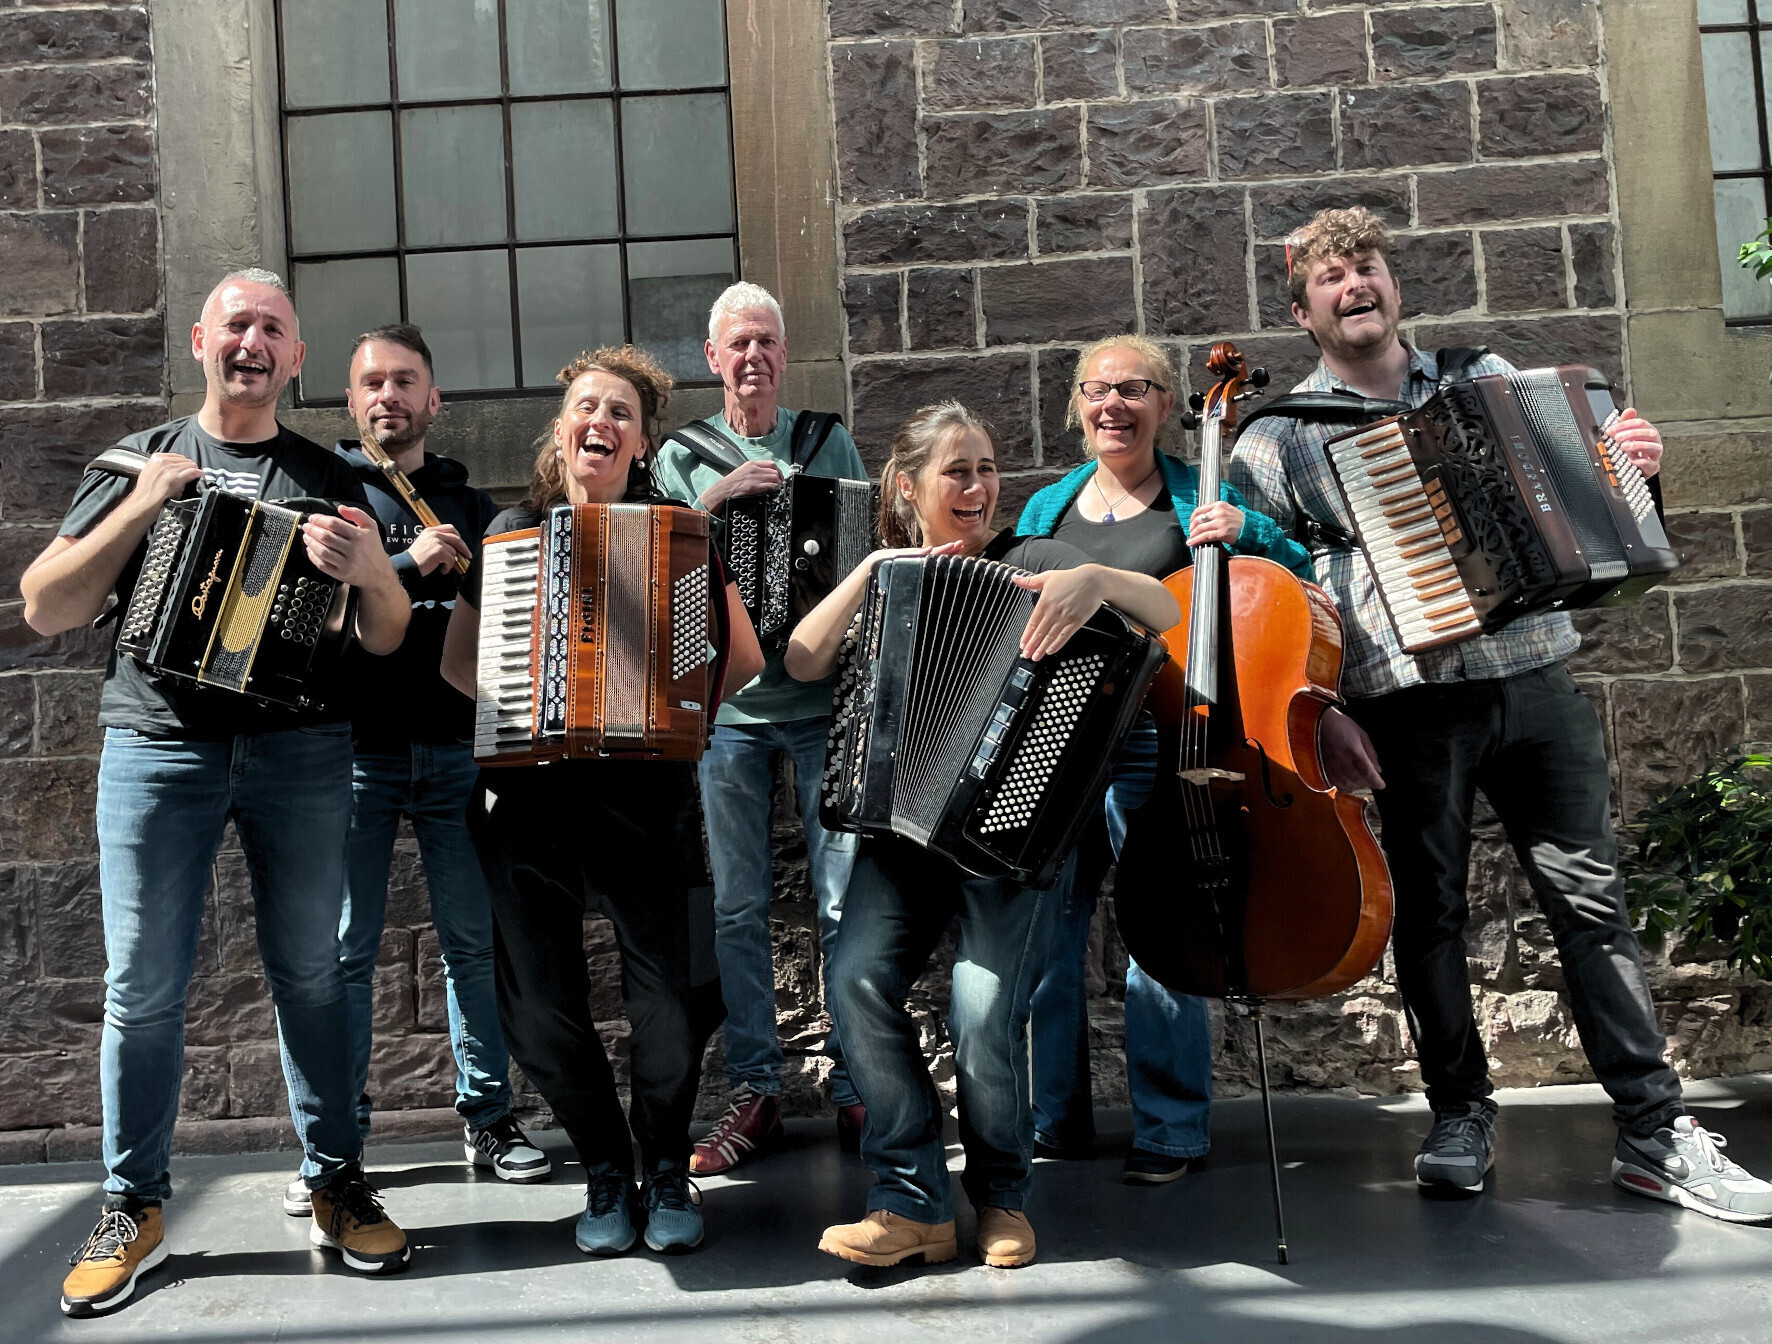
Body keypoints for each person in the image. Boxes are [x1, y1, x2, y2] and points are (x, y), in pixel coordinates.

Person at [1230, 205, 1772, 1221]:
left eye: (1367, 266)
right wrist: (1320, 709)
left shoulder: (1481, 376)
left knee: (1589, 903)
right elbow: (1270, 599)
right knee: (1429, 914)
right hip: (1406, 703)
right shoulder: (1277, 439)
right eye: (1331, 277)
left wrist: (1635, 467)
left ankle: (1653, 1132)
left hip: (1534, 676)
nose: (1355, 285)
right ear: (1303, 312)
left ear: (1393, 285)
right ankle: (1457, 1114)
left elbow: (1583, 492)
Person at [22, 269, 416, 1316]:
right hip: (159, 750)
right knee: (142, 987)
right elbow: (46, 605)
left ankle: (336, 1180)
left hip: (302, 752)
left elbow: (384, 637)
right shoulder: (137, 461)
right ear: (201, 340)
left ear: (296, 359)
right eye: (236, 323)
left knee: (313, 973)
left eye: (272, 330)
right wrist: (144, 504)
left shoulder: (333, 479)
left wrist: (374, 572)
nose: (252, 342)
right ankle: (132, 1204)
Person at [786, 401, 1182, 1270]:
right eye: (957, 472)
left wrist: (1097, 579)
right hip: (899, 833)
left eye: (987, 470)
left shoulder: (1031, 558)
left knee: (981, 1009)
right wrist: (874, 567)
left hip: (1009, 837)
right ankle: (911, 1201)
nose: (977, 488)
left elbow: (1161, 606)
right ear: (908, 486)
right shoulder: (884, 574)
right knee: (853, 981)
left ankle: (1002, 1195)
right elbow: (803, 659)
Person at [440, 347, 764, 1257]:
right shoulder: (512, 533)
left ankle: (663, 1165)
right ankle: (604, 1167)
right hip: (529, 806)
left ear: (642, 442)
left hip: (649, 805)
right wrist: (518, 699)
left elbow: (743, 661)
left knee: (673, 1008)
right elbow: (458, 663)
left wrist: (682, 707)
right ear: (561, 430)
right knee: (539, 1012)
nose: (602, 422)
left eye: (621, 412)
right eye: (587, 407)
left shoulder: (680, 536)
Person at [1017, 334, 1322, 1185]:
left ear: (1164, 404)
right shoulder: (1047, 509)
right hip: (1063, 742)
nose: (1113, 404)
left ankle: (1172, 1129)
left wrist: (1251, 531)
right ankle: (1052, 1119)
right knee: (1046, 935)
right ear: (1078, 405)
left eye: (1135, 388)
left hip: (1162, 737)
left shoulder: (1200, 494)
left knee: (1164, 933)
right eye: (1097, 389)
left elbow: (1294, 579)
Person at [275, 323, 546, 1224]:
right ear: (351, 400)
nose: (388, 396)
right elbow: (302, 605)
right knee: (343, 955)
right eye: (372, 383)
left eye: (404, 382)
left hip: (456, 750)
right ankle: (334, 1147)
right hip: (351, 752)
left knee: (473, 944)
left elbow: (505, 620)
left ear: (434, 399)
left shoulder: (470, 503)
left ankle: (490, 1120)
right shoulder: (326, 491)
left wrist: (467, 582)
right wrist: (404, 562)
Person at [651, 282, 870, 1176]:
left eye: (767, 341)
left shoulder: (827, 441)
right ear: (713, 357)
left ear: (784, 353)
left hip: (820, 707)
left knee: (842, 901)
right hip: (728, 714)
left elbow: (857, 550)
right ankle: (756, 1090)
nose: (753, 357)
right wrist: (714, 502)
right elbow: (655, 569)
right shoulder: (681, 456)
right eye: (738, 343)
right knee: (738, 909)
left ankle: (858, 1080)